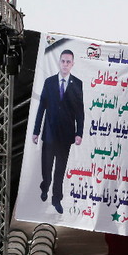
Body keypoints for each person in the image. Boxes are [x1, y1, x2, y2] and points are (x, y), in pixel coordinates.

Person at [32, 49, 84, 214]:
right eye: (63, 61)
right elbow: (41, 108)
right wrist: (36, 131)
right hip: (49, 133)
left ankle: (56, 199)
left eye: (69, 62)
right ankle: (45, 186)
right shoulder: (49, 82)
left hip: (66, 135)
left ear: (72, 64)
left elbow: (80, 111)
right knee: (47, 166)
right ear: (59, 62)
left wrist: (79, 132)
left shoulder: (77, 84)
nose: (65, 64)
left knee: (60, 169)